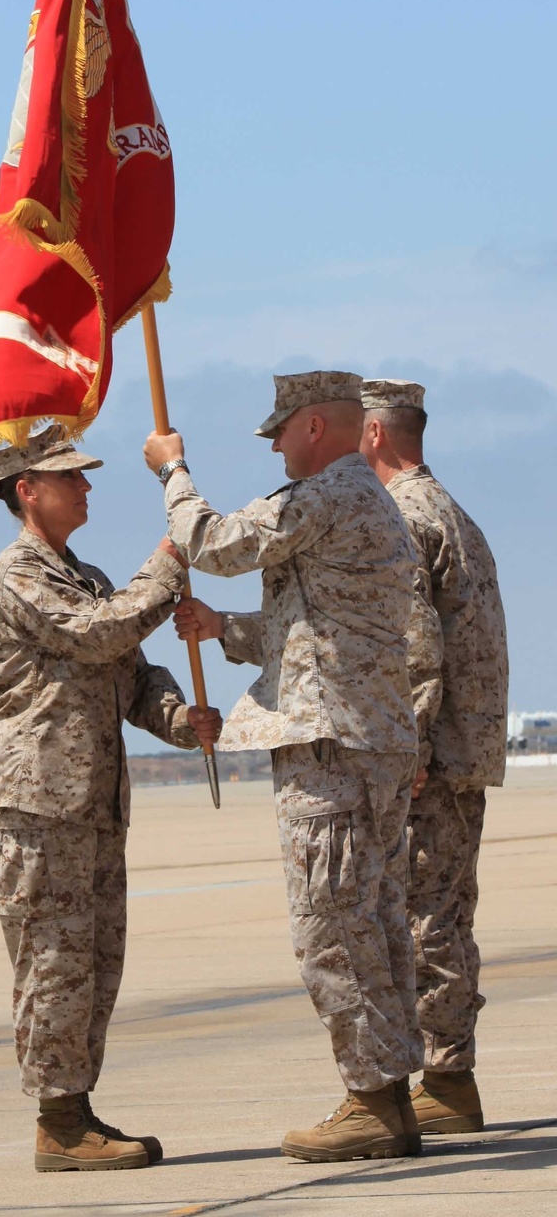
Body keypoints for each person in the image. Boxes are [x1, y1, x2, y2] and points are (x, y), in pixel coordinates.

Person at [144, 371, 430, 1163]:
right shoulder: (364, 500)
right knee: (372, 921)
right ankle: (388, 1095)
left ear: (312, 426)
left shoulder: (329, 491)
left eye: (278, 432)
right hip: (366, 736)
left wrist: (173, 469)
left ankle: (371, 1097)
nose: (272, 446)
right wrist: (223, 630)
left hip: (332, 745)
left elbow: (217, 542)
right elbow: (314, 622)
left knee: (330, 926)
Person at [0, 425, 222, 1173]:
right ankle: (58, 1121)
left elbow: (133, 675)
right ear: (27, 490)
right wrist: (170, 561)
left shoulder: (84, 573)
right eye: (70, 477)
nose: (86, 488)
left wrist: (182, 719)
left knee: (94, 963)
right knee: (54, 961)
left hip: (91, 804)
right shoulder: (18, 573)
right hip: (40, 803)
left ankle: (77, 1107)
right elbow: (96, 634)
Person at [360, 378, 509, 1134]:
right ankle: (449, 1073)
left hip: (433, 756)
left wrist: (407, 746)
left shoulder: (405, 515)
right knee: (445, 909)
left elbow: (417, 645)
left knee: (428, 916)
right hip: (461, 749)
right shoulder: (452, 508)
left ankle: (447, 1078)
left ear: (378, 434)